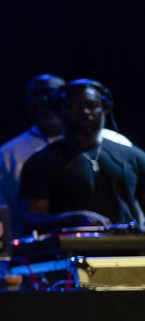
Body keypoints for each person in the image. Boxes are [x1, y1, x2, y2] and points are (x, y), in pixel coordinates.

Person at [0, 73, 132, 211]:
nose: (45, 101)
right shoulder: (7, 153)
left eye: (52, 94)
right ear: (27, 103)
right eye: (37, 96)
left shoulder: (117, 143)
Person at [17, 79, 145, 231]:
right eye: (74, 107)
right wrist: (72, 219)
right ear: (59, 112)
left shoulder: (133, 156)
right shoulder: (41, 162)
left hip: (129, 253)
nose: (84, 112)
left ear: (104, 108)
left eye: (91, 106)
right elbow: (30, 218)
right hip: (71, 251)